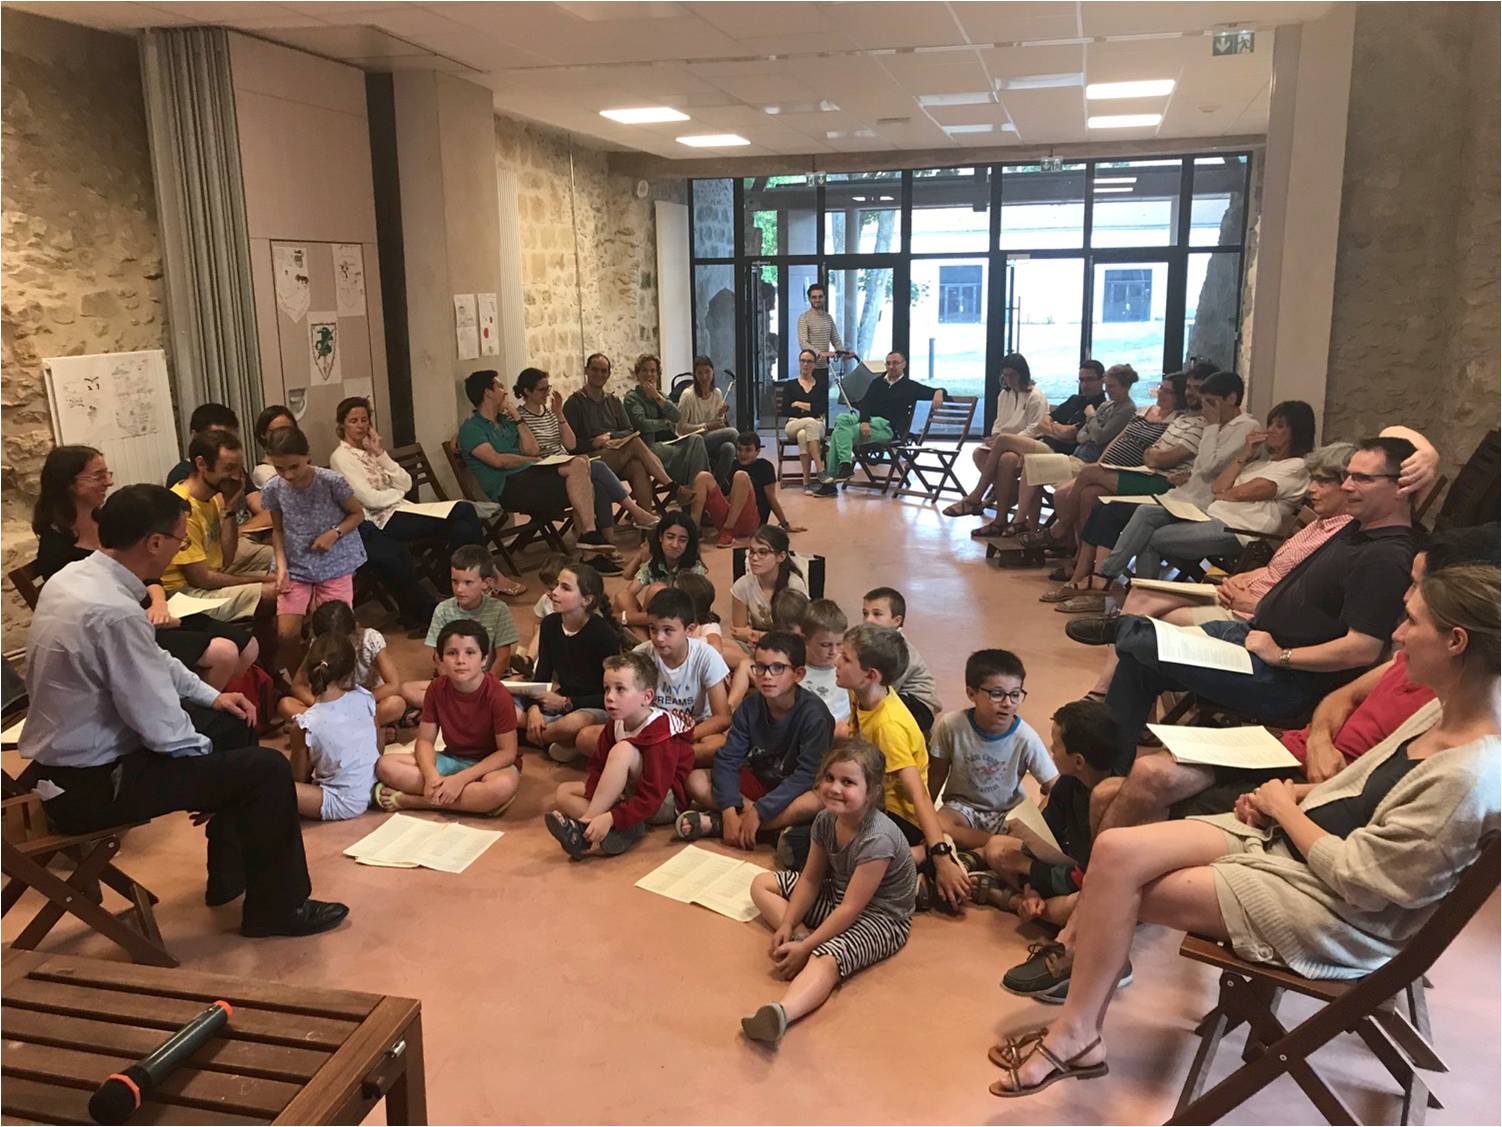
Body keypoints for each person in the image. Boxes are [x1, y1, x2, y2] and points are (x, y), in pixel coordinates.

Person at [987, 563, 1499, 1098]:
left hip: (1336, 912)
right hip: (1298, 844)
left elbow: (1366, 883)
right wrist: (1293, 798)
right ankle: (1081, 1028)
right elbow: (1361, 789)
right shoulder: (1442, 711)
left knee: (1120, 888)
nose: (1397, 634)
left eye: (1412, 621)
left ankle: (1075, 1031)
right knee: (1115, 850)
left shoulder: (1469, 775)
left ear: (1456, 641)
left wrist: (1287, 810)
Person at [17, 484, 347, 937]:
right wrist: (210, 774)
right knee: (267, 769)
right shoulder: (112, 612)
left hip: (68, 765)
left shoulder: (77, 579)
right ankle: (279, 909)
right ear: (154, 543)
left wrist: (212, 697)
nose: (180, 547)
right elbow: (159, 726)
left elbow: (154, 658)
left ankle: (228, 876)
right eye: (179, 538)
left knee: (235, 719)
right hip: (92, 786)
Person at [1098, 436, 1420, 822]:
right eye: (1348, 476)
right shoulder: (1358, 527)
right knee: (1139, 660)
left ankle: (1120, 630)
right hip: (1252, 641)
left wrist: (1282, 655)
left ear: (1402, 487)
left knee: (1144, 646)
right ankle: (1104, 775)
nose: (1348, 486)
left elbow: (1362, 648)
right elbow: (1401, 439)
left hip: (1284, 679)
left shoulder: (1386, 556)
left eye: (1362, 479)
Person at [1066, 443, 1357, 664]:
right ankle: (1117, 618)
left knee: (1153, 613)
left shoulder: (1341, 537)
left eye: (1323, 482)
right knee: (1143, 580)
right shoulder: (1318, 522)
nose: (1311, 489)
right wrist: (1243, 577)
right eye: (1313, 480)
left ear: (1348, 485)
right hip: (1234, 562)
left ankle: (1117, 617)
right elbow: (1220, 489)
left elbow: (1304, 599)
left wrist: (1255, 600)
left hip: (1241, 546)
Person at [1045, 400, 1317, 612]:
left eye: (1280, 426)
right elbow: (1218, 488)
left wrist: (1228, 492)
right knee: (1146, 513)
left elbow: (1235, 492)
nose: (1271, 431)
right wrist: (1244, 455)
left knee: (1149, 538)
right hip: (1213, 517)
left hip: (1238, 531)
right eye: (1271, 424)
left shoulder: (1296, 467)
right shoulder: (1261, 463)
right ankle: (1119, 589)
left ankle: (1114, 587)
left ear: (1297, 432)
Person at [32, 445, 253, 689]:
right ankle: (195, 705)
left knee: (248, 646)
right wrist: (148, 617)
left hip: (152, 608)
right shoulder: (56, 548)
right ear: (70, 483)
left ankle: (210, 699)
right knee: (223, 653)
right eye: (98, 476)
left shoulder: (106, 519)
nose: (108, 482)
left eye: (107, 474)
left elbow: (147, 571)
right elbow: (89, 614)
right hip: (122, 628)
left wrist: (159, 604)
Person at [741, 739, 917, 1045]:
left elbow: (851, 909)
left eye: (848, 782)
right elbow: (810, 879)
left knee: (827, 957)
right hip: (838, 894)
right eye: (829, 778)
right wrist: (788, 923)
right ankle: (800, 938)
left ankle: (782, 1013)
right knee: (762, 883)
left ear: (872, 792)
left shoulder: (878, 839)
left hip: (880, 918)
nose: (835, 788)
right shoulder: (825, 820)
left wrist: (810, 946)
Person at [1057, 369, 1262, 595]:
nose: (1205, 408)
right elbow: (1196, 465)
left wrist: (1211, 427)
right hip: (1182, 494)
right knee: (1102, 506)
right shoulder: (1212, 424)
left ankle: (1106, 578)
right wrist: (1189, 470)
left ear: (1231, 399)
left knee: (1140, 516)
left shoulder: (1244, 427)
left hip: (1201, 505)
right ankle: (1094, 577)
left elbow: (1209, 468)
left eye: (1211, 402)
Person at [836, 624, 971, 913]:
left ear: (870, 675)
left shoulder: (889, 726)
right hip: (869, 800)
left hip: (897, 817)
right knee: (809, 841)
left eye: (845, 658)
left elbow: (918, 794)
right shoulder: (859, 692)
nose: (836, 661)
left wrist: (939, 854)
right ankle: (912, 874)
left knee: (837, 863)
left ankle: (924, 854)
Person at [328, 396, 504, 598]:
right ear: (342, 425)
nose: (360, 426)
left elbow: (406, 483)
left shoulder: (370, 451)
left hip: (403, 509)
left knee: (462, 528)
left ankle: (450, 582)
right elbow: (371, 500)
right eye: (353, 421)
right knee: (464, 509)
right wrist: (397, 493)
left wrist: (380, 453)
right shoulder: (341, 457)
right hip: (381, 521)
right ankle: (486, 576)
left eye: (364, 420)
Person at [977, 701, 1120, 949]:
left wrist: (1025, 867)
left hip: (1094, 882)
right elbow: (1043, 842)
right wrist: (1033, 889)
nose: (1051, 750)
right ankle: (1030, 901)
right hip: (1063, 865)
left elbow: (1088, 877)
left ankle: (1010, 900)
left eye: (1056, 745)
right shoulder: (1067, 784)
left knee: (1074, 907)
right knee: (996, 847)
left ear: (1078, 761)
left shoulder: (1113, 804)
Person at [1018, 370, 1203, 554]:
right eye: (1161, 388)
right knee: (1074, 492)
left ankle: (1059, 533)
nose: (1161, 393)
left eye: (1168, 391)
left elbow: (1101, 437)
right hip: (1103, 464)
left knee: (1072, 493)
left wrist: (1083, 423)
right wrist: (1100, 462)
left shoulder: (1172, 420)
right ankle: (1074, 549)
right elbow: (1112, 438)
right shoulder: (1141, 410)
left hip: (1131, 470)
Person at [678, 630, 833, 847]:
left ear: (798, 674)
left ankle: (727, 826)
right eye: (760, 667)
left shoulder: (814, 715)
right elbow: (728, 758)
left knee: (819, 800)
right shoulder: (750, 706)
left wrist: (760, 810)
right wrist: (729, 810)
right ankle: (759, 827)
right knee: (696, 779)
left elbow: (806, 776)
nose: (767, 676)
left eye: (778, 668)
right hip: (759, 784)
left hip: (794, 792)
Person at [458, 369, 621, 574]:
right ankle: (592, 548)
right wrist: (529, 460)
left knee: (581, 466)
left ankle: (590, 540)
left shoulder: (506, 421)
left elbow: (532, 449)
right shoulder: (472, 429)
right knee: (585, 480)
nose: (505, 391)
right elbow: (498, 461)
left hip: (531, 477)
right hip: (508, 487)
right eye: (499, 386)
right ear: (487, 393)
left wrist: (517, 418)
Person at [545, 651, 695, 860]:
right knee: (564, 792)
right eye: (607, 688)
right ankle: (624, 828)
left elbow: (652, 797)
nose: (609, 697)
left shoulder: (661, 731)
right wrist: (605, 803)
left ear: (647, 697)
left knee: (623, 750)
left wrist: (611, 816)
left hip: (663, 802)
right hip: (631, 792)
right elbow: (597, 767)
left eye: (620, 689)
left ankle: (586, 828)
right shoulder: (616, 722)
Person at [374, 619, 521, 816]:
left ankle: (414, 801)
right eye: (452, 653)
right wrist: (431, 776)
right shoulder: (436, 688)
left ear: (484, 659)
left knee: (499, 788)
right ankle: (475, 802)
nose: (461, 660)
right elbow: (425, 741)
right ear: (441, 659)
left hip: (490, 766)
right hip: (452, 758)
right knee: (385, 766)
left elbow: (507, 753)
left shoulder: (498, 695)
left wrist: (461, 779)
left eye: (470, 653)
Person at [260, 427, 367, 675]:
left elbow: (357, 514)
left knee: (334, 631)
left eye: (294, 466)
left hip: (334, 562)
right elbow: (278, 530)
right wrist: (281, 566)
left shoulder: (331, 481)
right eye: (280, 468)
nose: (288, 475)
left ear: (307, 456)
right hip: (296, 565)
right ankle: (301, 679)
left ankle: (335, 680)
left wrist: (334, 533)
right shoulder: (273, 488)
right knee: (286, 634)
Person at [946, 360, 1108, 521]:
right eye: (1081, 380)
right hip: (1043, 443)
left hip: (1059, 453)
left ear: (1102, 379)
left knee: (1005, 446)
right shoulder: (1075, 399)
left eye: (1089, 379)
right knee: (998, 456)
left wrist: (1053, 428)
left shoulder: (1099, 408)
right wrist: (1057, 429)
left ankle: (976, 497)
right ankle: (1002, 515)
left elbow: (1067, 434)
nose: (1084, 385)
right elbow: (1044, 422)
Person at [514, 366, 660, 543]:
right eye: (542, 389)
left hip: (565, 460)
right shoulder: (520, 417)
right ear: (527, 391)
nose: (547, 393)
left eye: (548, 388)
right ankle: (637, 513)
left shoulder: (550, 413)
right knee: (598, 467)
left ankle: (608, 541)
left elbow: (570, 443)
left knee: (600, 482)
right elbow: (533, 450)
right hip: (548, 468)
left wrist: (559, 414)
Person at [929, 649, 1054, 851]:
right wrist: (925, 818)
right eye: (997, 694)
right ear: (971, 693)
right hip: (962, 808)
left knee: (1033, 836)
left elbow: (1056, 787)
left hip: (1008, 812)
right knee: (938, 824)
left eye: (1015, 695)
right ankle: (996, 846)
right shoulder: (951, 725)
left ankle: (981, 850)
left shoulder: (1026, 737)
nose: (1007, 703)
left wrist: (1037, 820)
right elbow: (936, 774)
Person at [1006, 363, 1140, 539]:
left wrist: (1091, 417)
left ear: (1126, 386)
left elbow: (1099, 437)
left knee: (1031, 466)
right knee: (1030, 465)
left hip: (1089, 462)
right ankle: (1026, 523)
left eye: (1112, 386)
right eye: (1107, 386)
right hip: (1076, 455)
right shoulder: (1107, 406)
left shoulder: (1127, 409)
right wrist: (1086, 430)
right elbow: (1081, 435)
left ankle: (1043, 531)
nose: (1108, 390)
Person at [161, 428, 278, 623]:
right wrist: (261, 580)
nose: (236, 477)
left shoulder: (214, 497)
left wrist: (230, 508)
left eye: (239, 469)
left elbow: (227, 559)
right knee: (275, 590)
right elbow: (202, 580)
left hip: (211, 577)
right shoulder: (181, 508)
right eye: (229, 468)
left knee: (288, 579)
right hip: (186, 595)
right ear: (201, 464)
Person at [617, 587, 732, 765]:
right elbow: (626, 708)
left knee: (718, 745)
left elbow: (723, 717)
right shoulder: (640, 654)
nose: (658, 638)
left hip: (694, 729)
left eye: (668, 630)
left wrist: (681, 735)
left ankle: (652, 762)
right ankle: (665, 761)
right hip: (651, 730)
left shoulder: (707, 656)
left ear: (689, 629)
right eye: (653, 629)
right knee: (587, 737)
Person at [524, 563, 621, 763]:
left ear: (587, 600)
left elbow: (612, 694)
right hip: (559, 701)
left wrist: (567, 703)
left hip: (592, 706)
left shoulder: (603, 635)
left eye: (565, 588)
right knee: (508, 705)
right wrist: (533, 709)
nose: (554, 592)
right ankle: (558, 739)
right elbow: (542, 676)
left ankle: (533, 737)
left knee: (573, 723)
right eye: (556, 585)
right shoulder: (550, 624)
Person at [400, 545, 520, 706]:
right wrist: (453, 687)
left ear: (486, 583)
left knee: (515, 696)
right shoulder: (442, 610)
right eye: (454, 581)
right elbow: (438, 657)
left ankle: (454, 708)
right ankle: (460, 707)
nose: (459, 589)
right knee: (407, 689)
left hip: (489, 679)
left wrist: (486, 687)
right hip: (453, 680)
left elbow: (502, 657)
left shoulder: (499, 610)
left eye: (468, 582)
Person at [563, 353, 680, 511]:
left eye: (603, 371)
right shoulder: (574, 403)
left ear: (608, 374)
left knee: (638, 466)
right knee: (635, 442)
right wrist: (594, 442)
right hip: (589, 458)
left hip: (615, 452)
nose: (599, 374)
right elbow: (570, 445)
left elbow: (628, 429)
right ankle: (672, 486)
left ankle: (647, 518)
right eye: (595, 370)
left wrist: (611, 436)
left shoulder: (613, 401)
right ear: (586, 370)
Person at [287, 632, 380, 822]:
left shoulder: (305, 724)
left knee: (274, 786)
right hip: (372, 785)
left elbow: (298, 777)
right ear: (350, 670)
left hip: (344, 802)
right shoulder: (365, 697)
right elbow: (378, 746)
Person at [278, 599, 405, 730]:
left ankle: (327, 728)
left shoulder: (370, 639)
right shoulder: (318, 645)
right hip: (330, 705)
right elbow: (298, 686)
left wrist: (358, 702)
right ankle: (350, 728)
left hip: (363, 702)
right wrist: (321, 704)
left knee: (396, 704)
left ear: (356, 628)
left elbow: (393, 685)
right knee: (285, 704)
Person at [824, 351, 944, 483]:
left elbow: (935, 391)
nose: (891, 366)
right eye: (888, 363)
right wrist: (864, 421)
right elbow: (865, 403)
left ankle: (833, 477)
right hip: (869, 422)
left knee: (838, 433)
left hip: (887, 428)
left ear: (904, 365)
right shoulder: (877, 383)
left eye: (895, 363)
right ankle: (844, 468)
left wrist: (939, 391)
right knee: (841, 419)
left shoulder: (910, 386)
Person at [702, 432, 807, 548]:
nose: (743, 454)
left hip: (753, 521)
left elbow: (771, 498)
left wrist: (785, 525)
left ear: (757, 451)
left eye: (748, 450)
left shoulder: (765, 466)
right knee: (703, 477)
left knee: (740, 476)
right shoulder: (732, 464)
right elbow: (727, 497)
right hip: (731, 516)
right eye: (739, 449)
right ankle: (693, 529)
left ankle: (728, 529)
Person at [860, 586, 941, 735]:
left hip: (919, 706)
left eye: (877, 614)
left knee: (881, 714)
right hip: (897, 696)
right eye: (865, 613)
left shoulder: (899, 650)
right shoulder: (877, 642)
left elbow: (886, 687)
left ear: (896, 621)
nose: (868, 620)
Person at [624, 353, 712, 486]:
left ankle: (695, 488)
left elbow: (676, 417)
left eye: (653, 371)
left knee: (697, 439)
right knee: (690, 455)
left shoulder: (661, 396)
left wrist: (657, 397)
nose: (649, 374)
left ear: (657, 374)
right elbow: (642, 424)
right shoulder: (632, 398)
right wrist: (665, 423)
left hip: (670, 440)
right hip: (648, 445)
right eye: (645, 370)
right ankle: (696, 489)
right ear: (638, 374)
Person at [612, 512, 706, 631]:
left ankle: (639, 637)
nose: (675, 545)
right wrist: (639, 556)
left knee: (657, 589)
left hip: (677, 623)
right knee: (623, 596)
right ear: (661, 537)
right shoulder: (654, 563)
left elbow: (681, 613)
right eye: (670, 537)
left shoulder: (694, 569)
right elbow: (629, 592)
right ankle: (643, 639)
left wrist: (622, 618)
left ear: (688, 543)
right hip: (652, 621)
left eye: (682, 540)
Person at [730, 524, 809, 644]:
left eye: (763, 552)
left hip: (788, 647)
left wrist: (756, 634)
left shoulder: (794, 585)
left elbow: (798, 636)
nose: (754, 558)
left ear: (781, 556)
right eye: (751, 551)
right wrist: (751, 636)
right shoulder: (742, 585)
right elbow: (738, 633)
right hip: (757, 645)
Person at [676, 354, 740, 484]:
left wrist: (721, 415)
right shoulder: (688, 395)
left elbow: (718, 423)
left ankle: (716, 486)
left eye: (707, 372)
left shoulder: (717, 393)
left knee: (729, 448)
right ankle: (744, 468)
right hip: (692, 440)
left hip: (710, 438)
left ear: (713, 372)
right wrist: (706, 426)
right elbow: (680, 428)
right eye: (700, 373)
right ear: (695, 375)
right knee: (733, 433)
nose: (704, 377)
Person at [799, 599, 852, 731]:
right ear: (805, 639)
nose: (834, 651)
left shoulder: (849, 668)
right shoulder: (795, 668)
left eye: (839, 644)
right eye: (825, 645)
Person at [779, 349, 829, 489]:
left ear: (814, 365)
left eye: (809, 361)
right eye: (803, 361)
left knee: (803, 434)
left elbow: (821, 408)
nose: (805, 364)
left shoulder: (821, 385)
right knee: (809, 423)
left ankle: (806, 482)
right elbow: (785, 410)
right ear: (799, 363)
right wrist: (810, 407)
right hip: (794, 423)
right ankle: (820, 469)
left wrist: (798, 404)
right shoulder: (790, 385)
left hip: (817, 424)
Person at [796, 282, 843, 392]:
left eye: (820, 297)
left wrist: (842, 351)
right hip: (809, 368)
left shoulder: (828, 317)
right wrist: (820, 353)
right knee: (810, 398)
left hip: (825, 367)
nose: (817, 300)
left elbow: (836, 339)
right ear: (809, 299)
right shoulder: (804, 318)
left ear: (824, 298)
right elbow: (803, 343)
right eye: (814, 297)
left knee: (823, 399)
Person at [251, 405, 298, 489]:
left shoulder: (300, 460)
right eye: (277, 431)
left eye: (288, 430)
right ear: (263, 435)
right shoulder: (263, 472)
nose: (284, 435)